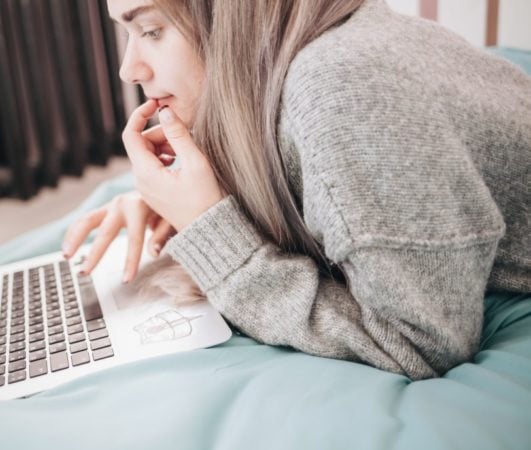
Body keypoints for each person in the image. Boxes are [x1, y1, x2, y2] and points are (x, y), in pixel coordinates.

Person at [62, 0, 531, 380]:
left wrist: (210, 230)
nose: (128, 69)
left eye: (151, 29)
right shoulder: (303, 58)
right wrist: (184, 198)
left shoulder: (343, 83)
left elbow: (422, 346)